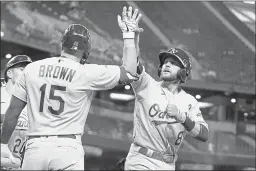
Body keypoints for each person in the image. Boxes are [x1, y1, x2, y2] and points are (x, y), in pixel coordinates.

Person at [1, 6, 142, 170]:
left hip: (35, 147)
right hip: (67, 148)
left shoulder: (32, 68)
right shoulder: (87, 72)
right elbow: (131, 72)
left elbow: (13, 112)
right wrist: (129, 35)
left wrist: (3, 143)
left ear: (62, 44)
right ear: (86, 49)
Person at [121, 29, 209, 170]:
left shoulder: (189, 101)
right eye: (165, 62)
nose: (167, 65)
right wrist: (132, 36)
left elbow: (204, 135)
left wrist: (182, 117)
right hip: (141, 159)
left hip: (168, 164)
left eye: (173, 63)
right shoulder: (146, 85)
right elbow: (132, 64)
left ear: (183, 72)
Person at [1, 55, 32, 170]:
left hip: (16, 165)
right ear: (9, 73)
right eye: (22, 69)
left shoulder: (32, 104)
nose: (26, 74)